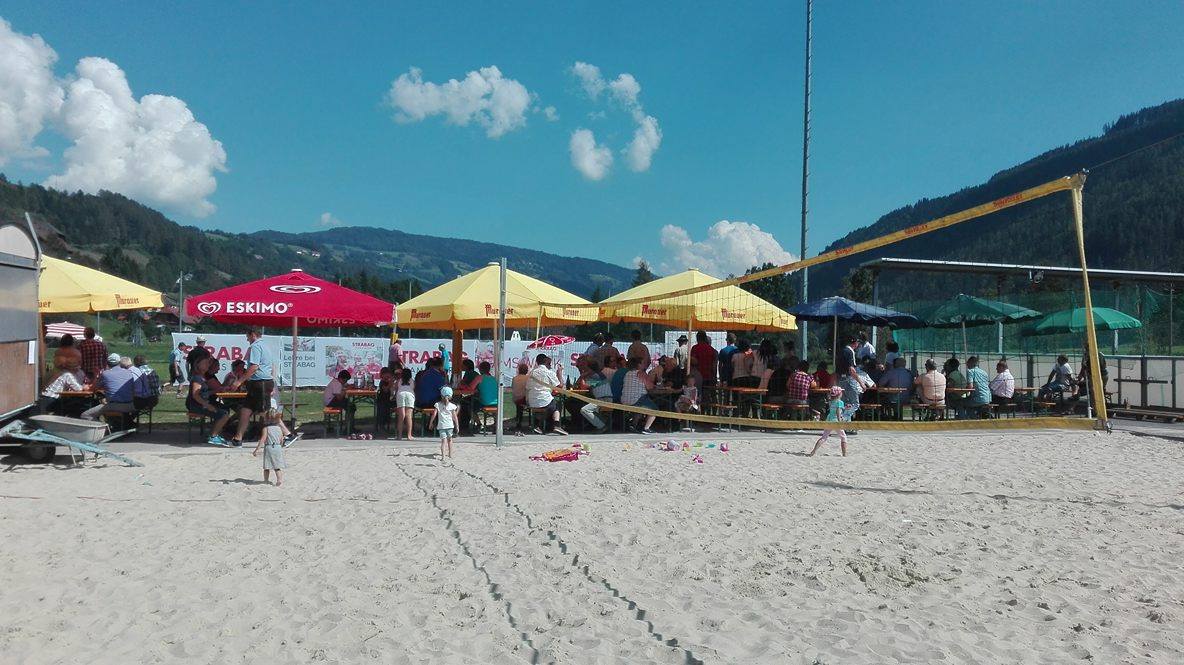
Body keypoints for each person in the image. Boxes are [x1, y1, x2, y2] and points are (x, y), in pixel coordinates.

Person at [229, 328, 275, 447]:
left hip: (261, 382)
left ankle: (287, 434)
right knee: (245, 411)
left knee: (265, 412)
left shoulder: (255, 346)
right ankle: (238, 439)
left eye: (247, 336)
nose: (247, 339)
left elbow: (254, 367)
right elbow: (271, 366)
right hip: (257, 383)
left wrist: (239, 381)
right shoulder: (265, 346)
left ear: (253, 335)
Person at [186, 353, 233, 445]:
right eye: (205, 363)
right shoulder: (197, 378)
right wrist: (208, 406)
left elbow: (204, 393)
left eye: (208, 363)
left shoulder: (203, 377)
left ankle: (216, 432)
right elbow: (196, 395)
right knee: (223, 414)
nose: (208, 365)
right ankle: (213, 436)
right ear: (198, 365)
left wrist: (215, 391)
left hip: (203, 403)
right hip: (197, 405)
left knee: (225, 408)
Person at [82, 354, 137, 421]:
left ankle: (101, 426)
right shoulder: (129, 372)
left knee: (85, 415)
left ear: (107, 363)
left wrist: (96, 375)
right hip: (131, 404)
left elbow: (93, 389)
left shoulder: (105, 374)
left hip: (115, 405)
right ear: (119, 363)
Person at [527, 354, 568, 435]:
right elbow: (560, 386)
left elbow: (527, 387)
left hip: (532, 401)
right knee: (557, 405)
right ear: (546, 362)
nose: (550, 366)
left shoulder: (531, 373)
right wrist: (559, 372)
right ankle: (556, 425)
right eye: (549, 364)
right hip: (544, 400)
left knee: (549, 404)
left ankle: (537, 426)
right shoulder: (549, 372)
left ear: (537, 362)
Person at [808, 386, 851, 457]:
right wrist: (840, 421)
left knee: (824, 437)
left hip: (829, 420)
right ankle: (844, 454)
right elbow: (838, 412)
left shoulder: (831, 401)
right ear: (839, 394)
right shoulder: (840, 402)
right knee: (843, 437)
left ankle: (813, 451)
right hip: (836, 421)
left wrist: (845, 408)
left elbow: (836, 409)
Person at [620, 356, 659, 434]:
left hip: (624, 400)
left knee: (640, 408)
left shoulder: (627, 373)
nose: (645, 364)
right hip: (636, 399)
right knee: (654, 410)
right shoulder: (641, 373)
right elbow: (650, 387)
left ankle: (633, 425)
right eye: (643, 363)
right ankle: (646, 428)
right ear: (639, 365)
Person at [252, 409, 288, 486]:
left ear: (266, 418)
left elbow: (263, 439)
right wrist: (280, 445)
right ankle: (279, 480)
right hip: (277, 447)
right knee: (277, 467)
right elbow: (281, 439)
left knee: (267, 466)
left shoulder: (266, 428)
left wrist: (257, 449)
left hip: (269, 447)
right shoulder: (279, 428)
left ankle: (266, 480)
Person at [579, 359, 615, 433]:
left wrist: (582, 376)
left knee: (584, 410)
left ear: (589, 368)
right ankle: (602, 424)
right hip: (603, 399)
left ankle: (602, 426)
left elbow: (583, 387)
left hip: (604, 400)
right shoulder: (598, 374)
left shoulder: (596, 376)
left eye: (585, 368)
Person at [431, 386, 460, 458]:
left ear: (441, 395)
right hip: (450, 426)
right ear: (451, 396)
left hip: (441, 426)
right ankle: (450, 454)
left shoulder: (437, 405)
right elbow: (455, 417)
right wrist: (457, 426)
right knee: (450, 440)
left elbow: (434, 415)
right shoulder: (452, 406)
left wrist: (430, 423)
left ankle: (443, 456)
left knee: (443, 441)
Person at [835, 336, 861, 414]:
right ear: (855, 343)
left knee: (844, 403)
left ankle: (842, 418)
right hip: (848, 379)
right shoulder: (850, 352)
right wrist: (861, 383)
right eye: (858, 342)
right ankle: (845, 417)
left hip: (840, 379)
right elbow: (851, 369)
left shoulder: (842, 351)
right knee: (855, 404)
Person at [395, 368, 415, 440]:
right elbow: (413, 388)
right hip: (410, 395)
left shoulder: (399, 381)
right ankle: (409, 435)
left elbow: (396, 389)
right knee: (408, 415)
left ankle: (399, 436)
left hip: (400, 394)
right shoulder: (412, 381)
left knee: (401, 416)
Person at [376, 366, 394, 434]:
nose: (388, 375)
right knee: (382, 413)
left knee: (387, 413)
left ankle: (385, 425)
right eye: (386, 374)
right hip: (382, 400)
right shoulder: (382, 382)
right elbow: (385, 390)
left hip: (387, 400)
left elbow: (391, 392)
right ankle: (381, 426)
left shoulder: (388, 381)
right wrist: (390, 383)